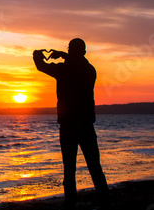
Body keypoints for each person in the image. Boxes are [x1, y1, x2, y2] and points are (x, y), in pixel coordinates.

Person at [33, 38, 111, 210]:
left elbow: (41, 65)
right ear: (83, 52)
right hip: (86, 125)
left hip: (69, 126)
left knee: (69, 171)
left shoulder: (64, 69)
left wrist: (37, 54)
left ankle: (70, 205)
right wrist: (64, 55)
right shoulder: (90, 70)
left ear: (70, 51)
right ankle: (105, 203)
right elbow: (78, 64)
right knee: (95, 168)